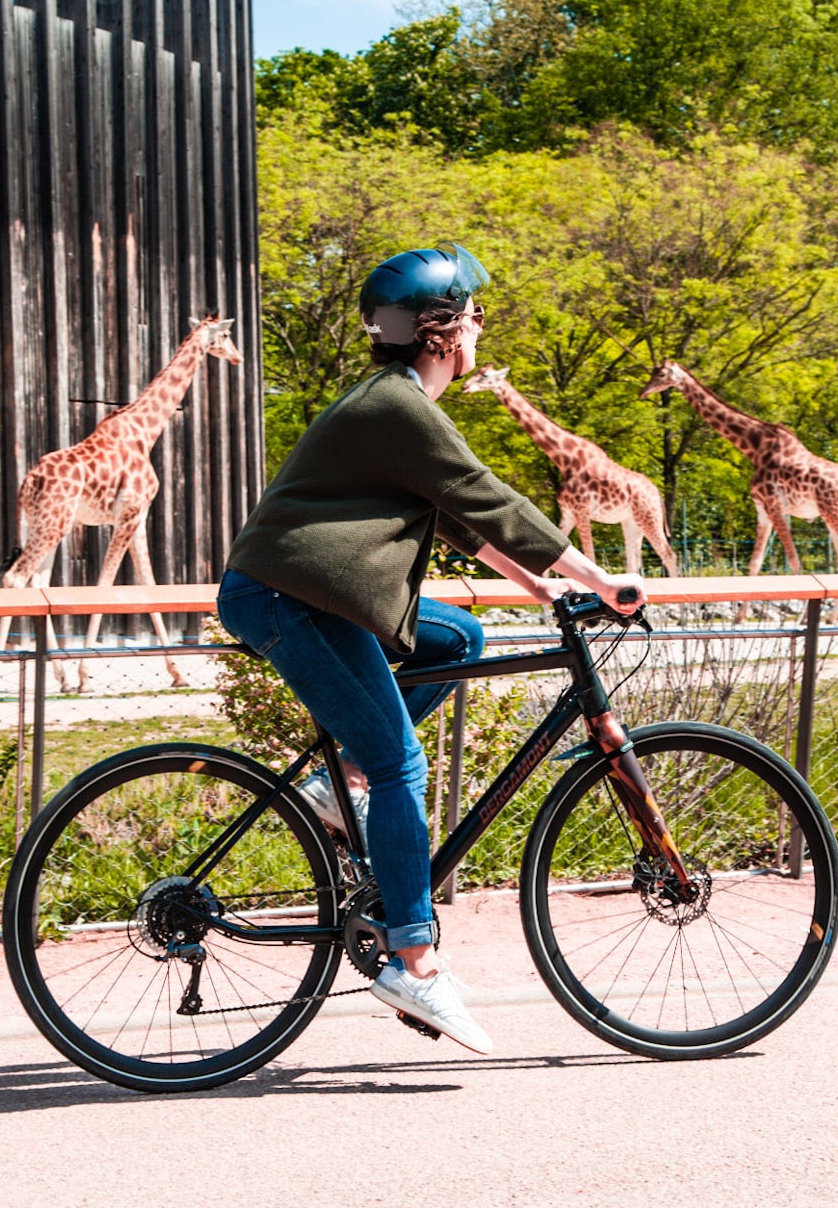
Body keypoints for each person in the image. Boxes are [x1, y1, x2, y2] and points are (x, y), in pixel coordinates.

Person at [216, 244, 643, 1054]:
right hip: (287, 599)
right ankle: (414, 958)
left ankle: (332, 783)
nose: (483, 326)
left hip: (314, 594)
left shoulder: (396, 403)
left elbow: (454, 515)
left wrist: (542, 586)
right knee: (399, 763)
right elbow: (486, 494)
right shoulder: (399, 406)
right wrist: (598, 573)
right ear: (443, 331)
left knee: (461, 636)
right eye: (476, 313)